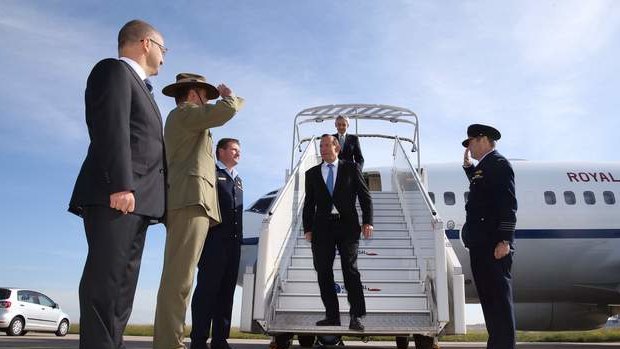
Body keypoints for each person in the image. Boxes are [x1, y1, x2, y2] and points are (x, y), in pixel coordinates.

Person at [68, 19, 167, 349]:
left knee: (123, 289)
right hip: (118, 194)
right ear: (145, 44)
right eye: (163, 49)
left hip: (139, 202)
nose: (164, 58)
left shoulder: (144, 89)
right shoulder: (113, 71)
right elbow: (111, 129)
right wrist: (121, 185)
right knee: (104, 283)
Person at [153, 74, 244, 349]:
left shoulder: (189, 119)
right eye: (205, 94)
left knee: (183, 278)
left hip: (196, 203)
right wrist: (230, 96)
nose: (208, 99)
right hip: (189, 201)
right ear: (194, 94)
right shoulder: (184, 113)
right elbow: (225, 110)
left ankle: (171, 341)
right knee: (178, 279)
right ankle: (170, 344)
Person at [302, 134, 373, 331]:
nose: (323, 149)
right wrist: (307, 228)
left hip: (348, 227)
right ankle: (332, 315)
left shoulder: (351, 168)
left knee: (350, 270)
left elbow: (365, 197)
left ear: (337, 148)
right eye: (321, 146)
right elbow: (309, 204)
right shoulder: (312, 173)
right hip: (322, 228)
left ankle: (355, 316)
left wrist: (368, 221)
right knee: (323, 271)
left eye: (327, 145)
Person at [461, 124, 518, 349]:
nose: (469, 148)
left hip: (494, 245)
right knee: (490, 301)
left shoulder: (499, 164)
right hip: (481, 244)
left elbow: (508, 204)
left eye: (470, 142)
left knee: (499, 302)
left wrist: (505, 240)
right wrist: (469, 168)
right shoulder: (485, 167)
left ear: (483, 140)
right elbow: (482, 190)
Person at [190, 138, 243, 349]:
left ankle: (220, 339)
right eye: (234, 149)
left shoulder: (238, 180)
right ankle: (199, 340)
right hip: (214, 242)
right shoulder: (211, 172)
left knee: (226, 293)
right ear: (221, 151)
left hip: (234, 245)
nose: (238, 153)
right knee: (207, 292)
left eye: (239, 150)